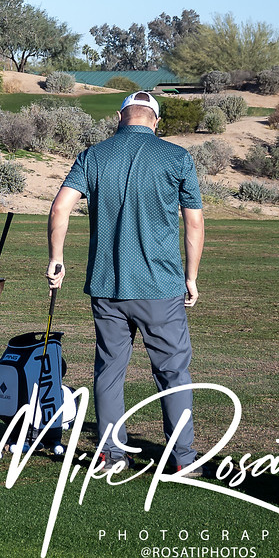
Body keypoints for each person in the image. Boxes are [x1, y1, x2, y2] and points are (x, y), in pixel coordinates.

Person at [46, 90, 204, 475]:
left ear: (120, 117)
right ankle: (183, 459)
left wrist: (56, 258)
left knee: (110, 371)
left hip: (107, 286)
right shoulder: (177, 157)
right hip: (160, 286)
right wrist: (191, 277)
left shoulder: (93, 156)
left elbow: (60, 206)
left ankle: (112, 454)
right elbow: (194, 222)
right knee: (172, 372)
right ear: (156, 121)